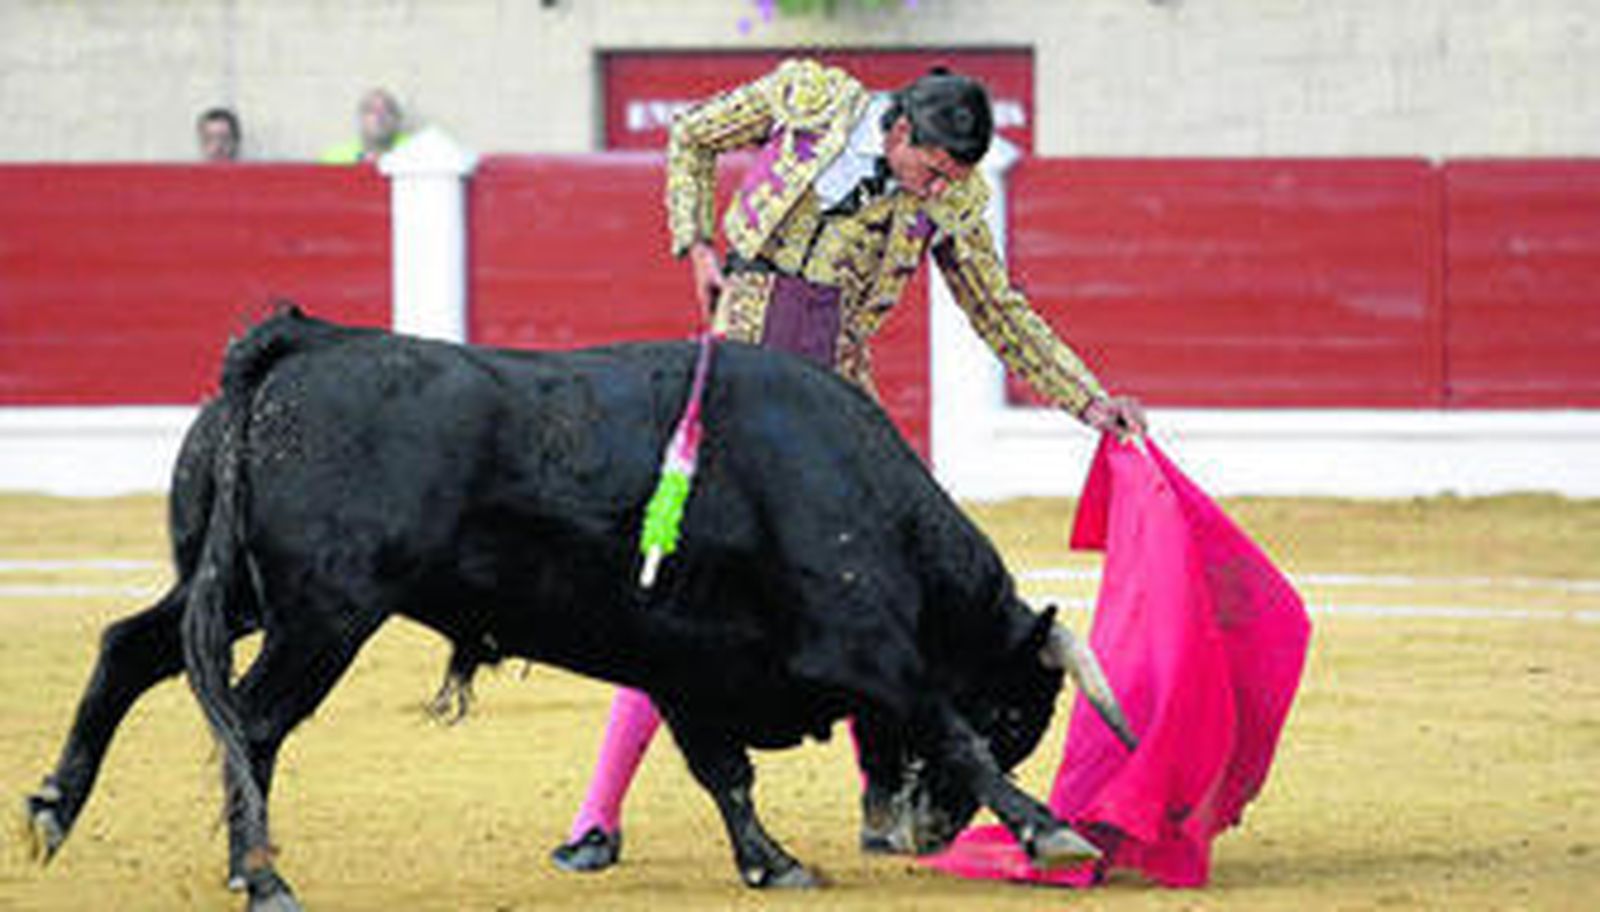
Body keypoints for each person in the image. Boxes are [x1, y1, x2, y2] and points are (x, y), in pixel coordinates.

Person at [551, 58, 1148, 873]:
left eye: (952, 178)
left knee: (884, 578)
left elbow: (999, 307)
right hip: (741, 368)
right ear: (898, 131)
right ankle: (597, 815)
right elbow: (691, 133)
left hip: (836, 394)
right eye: (930, 169)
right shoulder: (812, 98)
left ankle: (885, 800)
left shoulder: (957, 198)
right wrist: (695, 243)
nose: (938, 189)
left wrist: (1089, 401)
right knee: (686, 596)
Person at [319, 88, 411, 164]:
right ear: (361, 118)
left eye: (388, 111)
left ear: (397, 119)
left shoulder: (414, 151)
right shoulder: (336, 157)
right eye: (371, 111)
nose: (380, 117)